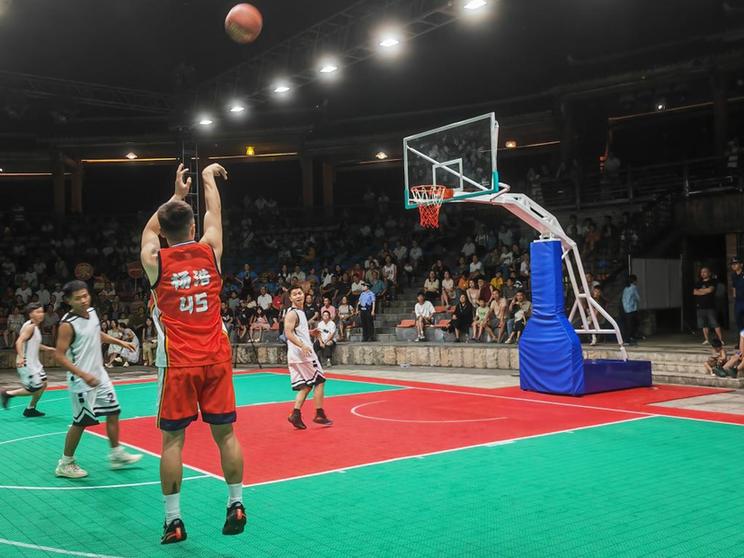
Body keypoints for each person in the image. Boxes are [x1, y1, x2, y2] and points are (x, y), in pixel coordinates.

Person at [140, 163, 245, 544]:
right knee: (226, 435)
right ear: (191, 229)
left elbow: (148, 231)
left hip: (179, 362)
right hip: (216, 356)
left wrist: (176, 196)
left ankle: (174, 521)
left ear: (165, 234)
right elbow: (215, 216)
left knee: (172, 442)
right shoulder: (210, 251)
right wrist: (206, 180)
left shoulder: (156, 260)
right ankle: (236, 503)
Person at [54, 280, 143, 479]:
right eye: (78, 298)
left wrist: (119, 341)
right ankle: (65, 463)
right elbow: (58, 356)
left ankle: (116, 454)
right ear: (69, 301)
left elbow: (96, 333)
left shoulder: (92, 312)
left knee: (113, 412)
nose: (84, 300)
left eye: (85, 295)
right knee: (81, 422)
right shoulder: (67, 325)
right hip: (81, 381)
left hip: (100, 376)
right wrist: (84, 375)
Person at [284, 286, 333, 429]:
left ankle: (295, 414)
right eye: (294, 294)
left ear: (304, 295)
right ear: (290, 298)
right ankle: (319, 414)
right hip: (303, 355)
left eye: (300, 293)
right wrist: (303, 345)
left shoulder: (300, 312)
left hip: (297, 355)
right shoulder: (292, 313)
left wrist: (310, 332)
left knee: (306, 386)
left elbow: (297, 331)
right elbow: (288, 333)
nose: (298, 296)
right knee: (320, 380)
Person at [1, 303, 55, 416]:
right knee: (34, 388)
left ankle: (30, 408)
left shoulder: (35, 326)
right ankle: (8, 393)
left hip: (35, 363)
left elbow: (34, 344)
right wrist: (21, 356)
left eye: (42, 312)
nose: (41, 314)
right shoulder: (30, 327)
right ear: (31, 314)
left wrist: (47, 348)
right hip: (27, 364)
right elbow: (19, 341)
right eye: (38, 312)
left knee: (43, 384)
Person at [694, 267, 723, 345]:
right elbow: (694, 292)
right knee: (704, 325)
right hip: (700, 307)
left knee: (715, 324)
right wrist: (705, 291)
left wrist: (700, 291)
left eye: (705, 272)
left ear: (709, 273)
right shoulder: (698, 282)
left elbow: (710, 290)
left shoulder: (713, 281)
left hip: (710, 306)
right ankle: (706, 339)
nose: (703, 273)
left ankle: (720, 339)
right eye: (702, 272)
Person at [621, 275, 641, 344]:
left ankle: (629, 338)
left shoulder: (625, 288)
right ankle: (629, 339)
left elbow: (623, 299)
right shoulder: (634, 287)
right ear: (634, 281)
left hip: (625, 309)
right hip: (632, 309)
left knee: (628, 325)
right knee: (634, 324)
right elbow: (638, 298)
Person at [730, 257, 744, 332]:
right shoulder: (733, 275)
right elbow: (734, 286)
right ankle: (741, 343)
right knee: (738, 321)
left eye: (735, 263)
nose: (733, 265)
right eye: (732, 264)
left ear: (741, 264)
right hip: (738, 301)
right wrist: (734, 296)